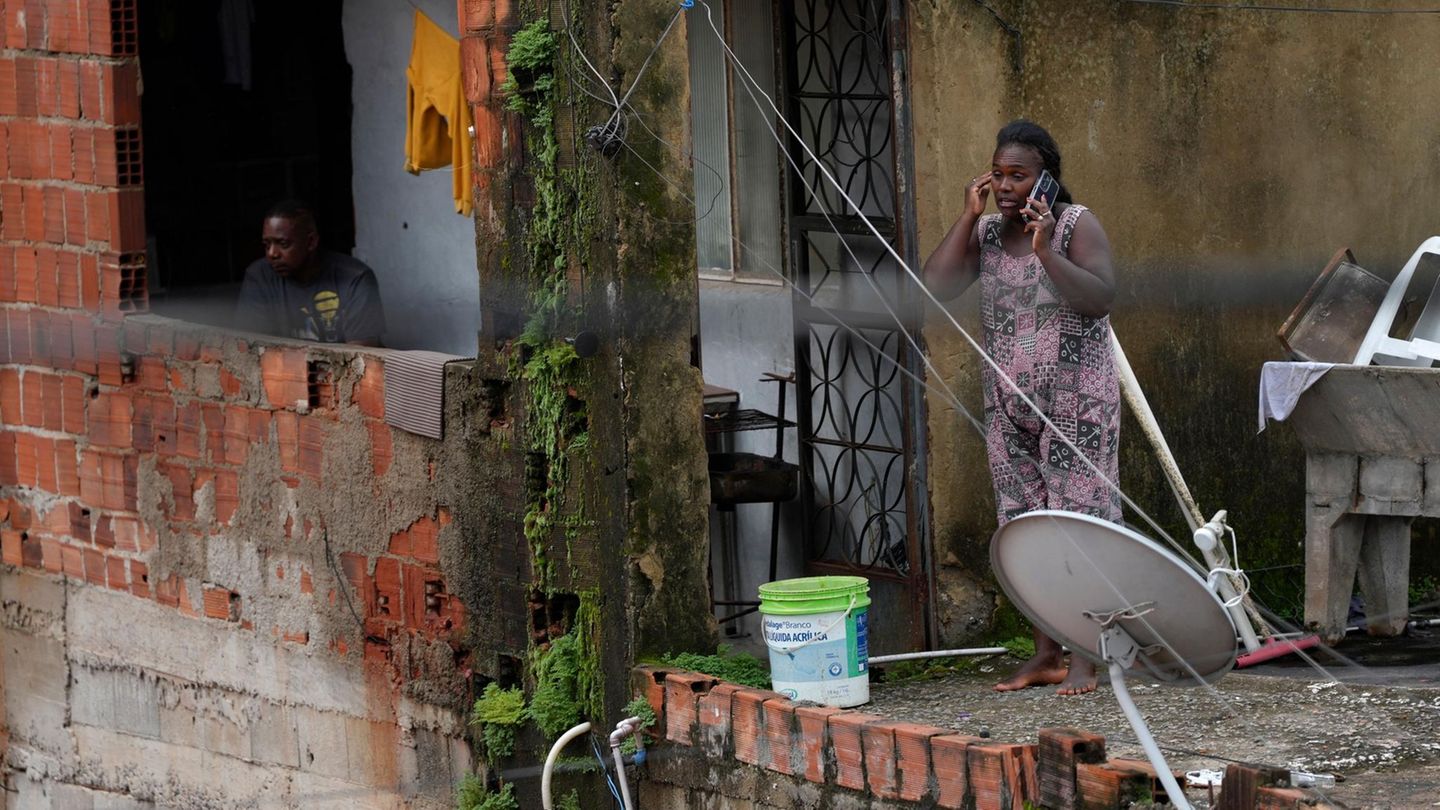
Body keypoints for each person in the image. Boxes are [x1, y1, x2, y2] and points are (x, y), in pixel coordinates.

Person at [923, 120, 1119, 696]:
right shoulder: (983, 234)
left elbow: (1099, 298)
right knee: (1025, 528)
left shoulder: (1075, 226)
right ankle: (1046, 655)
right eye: (999, 175)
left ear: (1046, 181)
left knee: (1080, 529)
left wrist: (1044, 250)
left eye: (1019, 176)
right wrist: (966, 215)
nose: (1006, 187)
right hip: (1009, 404)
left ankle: (1087, 658)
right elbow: (935, 286)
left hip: (1076, 404)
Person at [236, 200, 386, 346]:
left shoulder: (355, 278)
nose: (272, 253)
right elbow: (250, 350)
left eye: (283, 244)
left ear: (311, 242)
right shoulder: (259, 276)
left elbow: (362, 359)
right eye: (267, 244)